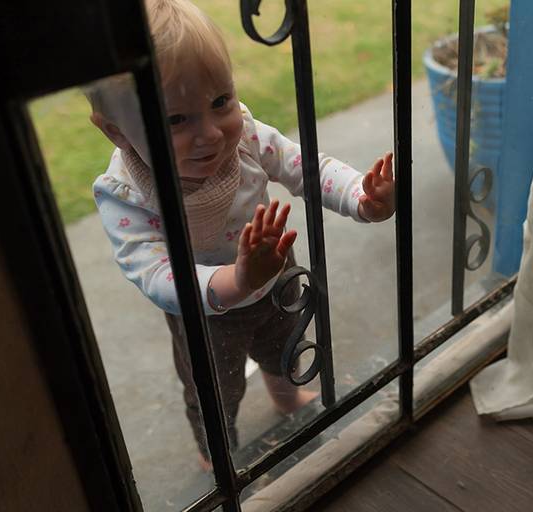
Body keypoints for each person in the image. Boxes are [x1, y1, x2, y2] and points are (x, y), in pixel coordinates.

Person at [85, 0, 395, 470]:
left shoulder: (246, 136)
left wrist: (362, 197)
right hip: (206, 313)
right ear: (115, 131)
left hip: (276, 274)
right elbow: (151, 271)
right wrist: (235, 280)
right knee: (212, 389)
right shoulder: (127, 192)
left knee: (286, 345)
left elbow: (303, 167)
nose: (210, 134)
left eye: (219, 102)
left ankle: (288, 398)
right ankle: (217, 456)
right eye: (175, 121)